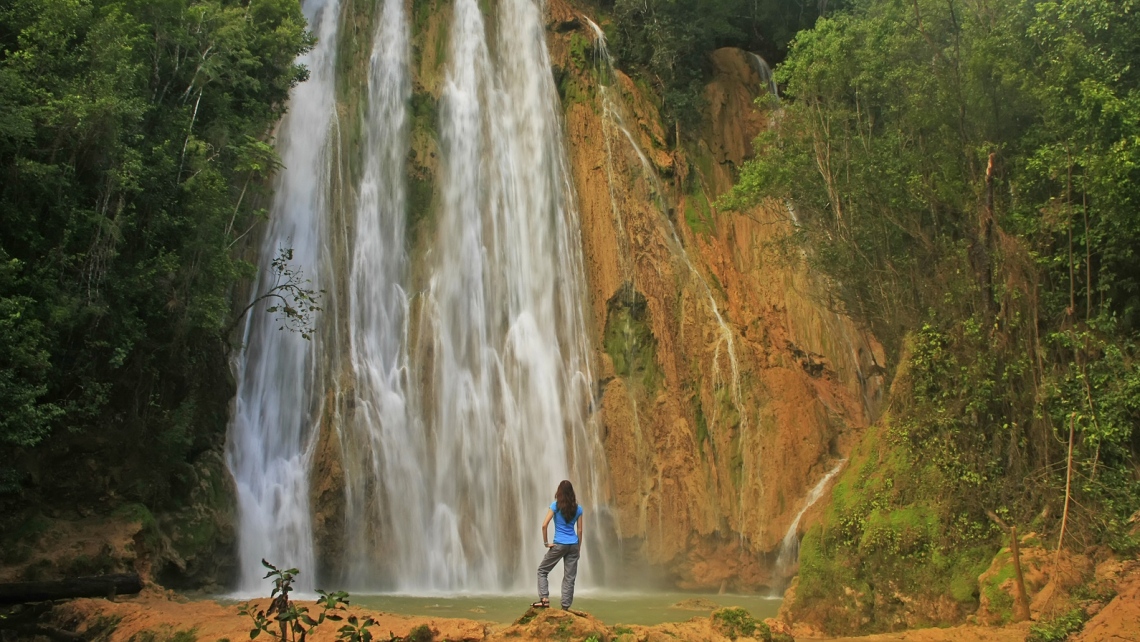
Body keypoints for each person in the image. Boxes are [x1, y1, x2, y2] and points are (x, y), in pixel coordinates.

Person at [533, 480, 584, 610]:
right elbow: (580, 530)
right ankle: (565, 608)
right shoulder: (578, 508)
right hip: (573, 545)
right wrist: (578, 547)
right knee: (569, 577)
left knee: (542, 570)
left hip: (559, 544)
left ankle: (544, 599)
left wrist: (546, 543)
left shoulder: (555, 506)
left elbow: (544, 525)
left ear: (559, 492)